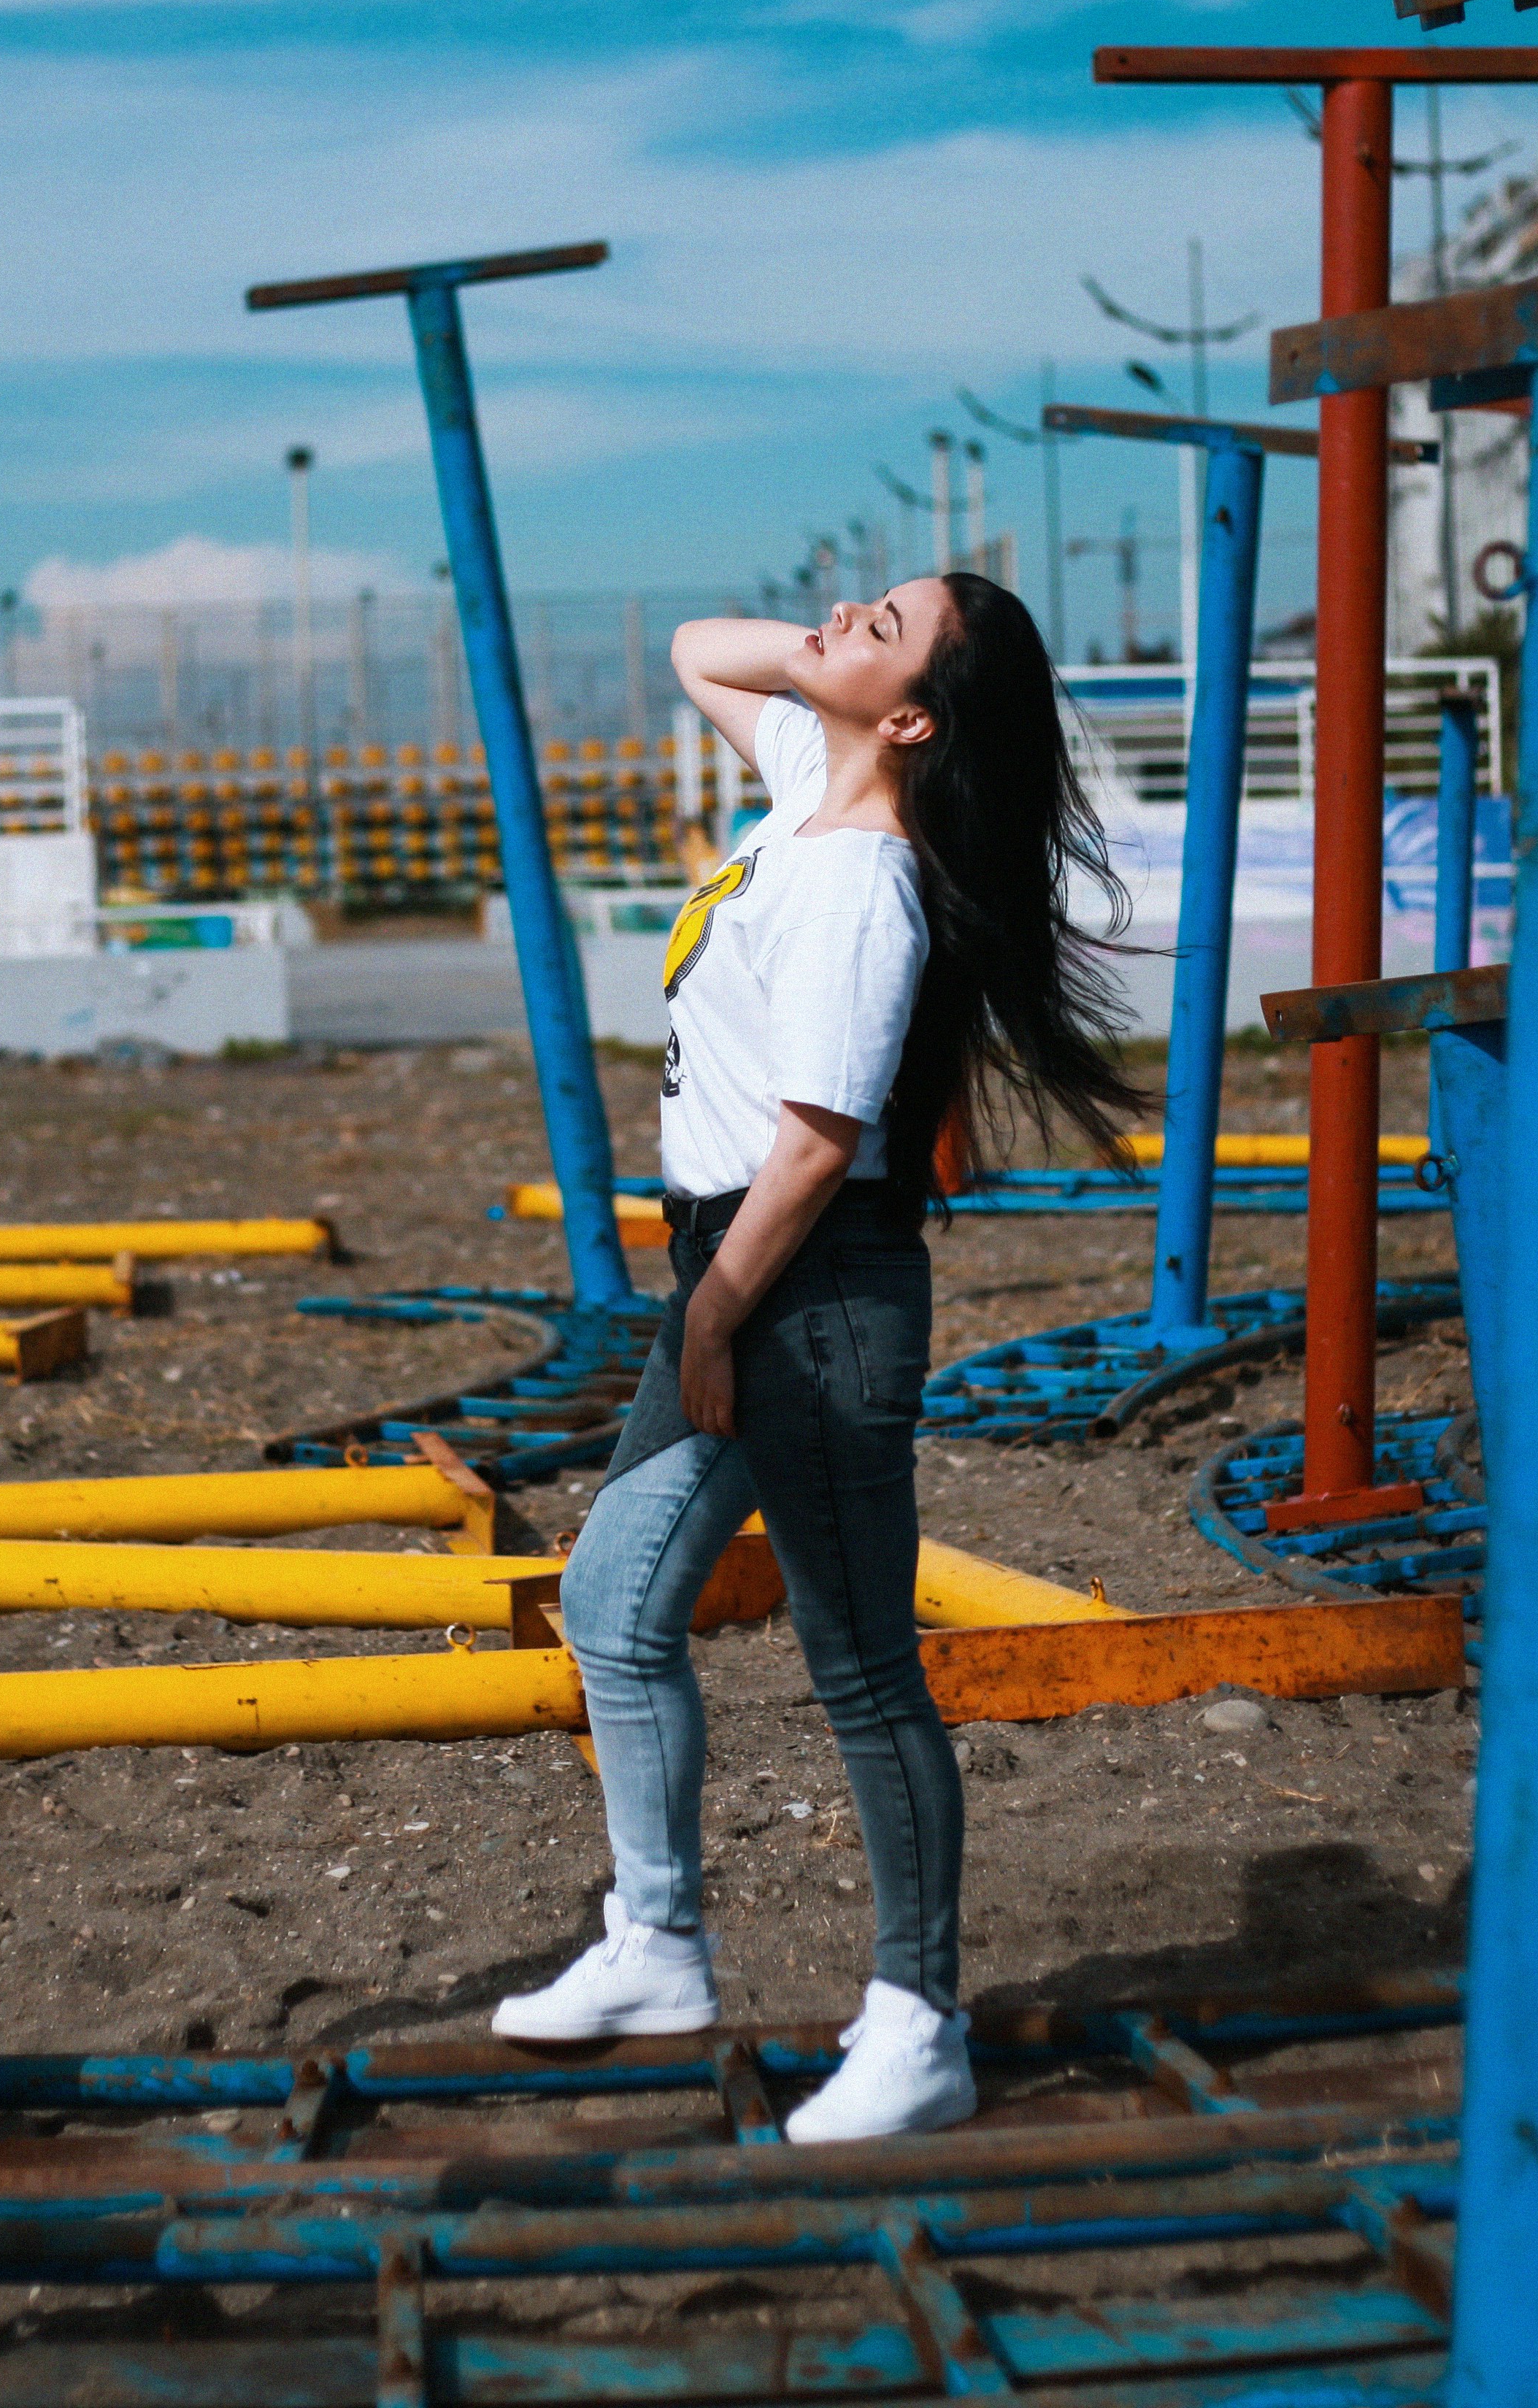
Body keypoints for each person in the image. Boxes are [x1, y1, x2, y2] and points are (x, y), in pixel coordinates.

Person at [491, 573, 1144, 2144]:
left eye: (888, 625)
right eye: (872, 599)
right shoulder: (807, 786)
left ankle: (920, 2025)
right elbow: (687, 646)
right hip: (734, 1274)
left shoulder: (865, 880)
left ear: (913, 718)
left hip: (803, 1290)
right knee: (613, 1604)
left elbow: (820, 1141)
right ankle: (658, 1947)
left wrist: (713, 1319)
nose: (849, 610)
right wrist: (826, 663)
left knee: (860, 1668)